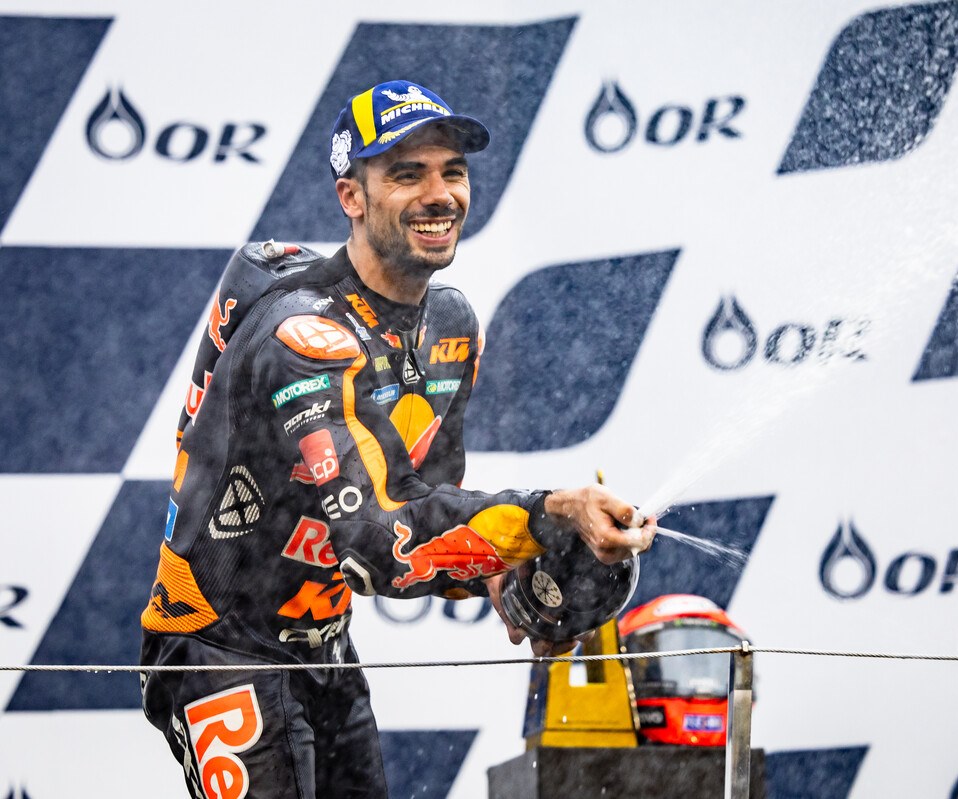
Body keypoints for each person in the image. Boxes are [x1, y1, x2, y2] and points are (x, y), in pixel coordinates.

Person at [139, 79, 655, 799]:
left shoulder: (450, 325)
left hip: (324, 646)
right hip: (217, 645)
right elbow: (381, 539)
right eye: (407, 174)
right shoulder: (303, 334)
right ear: (352, 197)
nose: (439, 195)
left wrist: (514, 582)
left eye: (453, 171)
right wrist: (548, 512)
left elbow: (426, 505)